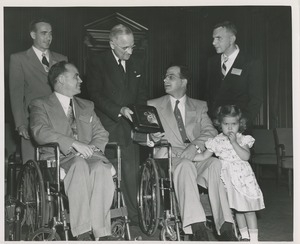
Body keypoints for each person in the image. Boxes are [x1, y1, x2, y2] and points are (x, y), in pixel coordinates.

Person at [135, 65, 238, 241]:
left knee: (215, 164)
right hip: (168, 158)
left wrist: (195, 146)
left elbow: (210, 131)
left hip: (195, 156)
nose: (165, 80)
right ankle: (197, 227)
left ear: (183, 81)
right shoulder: (153, 105)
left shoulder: (199, 106)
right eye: (165, 77)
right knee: (184, 166)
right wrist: (151, 136)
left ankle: (226, 226)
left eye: (171, 77)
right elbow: (137, 135)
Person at [29, 61, 115, 241]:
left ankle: (102, 232)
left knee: (101, 168)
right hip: (60, 158)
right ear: (61, 79)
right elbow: (39, 131)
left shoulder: (87, 106)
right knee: (78, 164)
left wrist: (90, 148)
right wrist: (73, 143)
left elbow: (101, 133)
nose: (81, 80)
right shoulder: (41, 104)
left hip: (88, 156)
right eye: (76, 76)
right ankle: (82, 231)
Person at [86, 24, 148, 225]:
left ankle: (133, 217)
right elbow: (95, 94)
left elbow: (141, 94)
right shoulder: (98, 62)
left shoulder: (137, 61)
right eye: (124, 48)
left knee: (131, 173)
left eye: (132, 46)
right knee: (110, 173)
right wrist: (118, 110)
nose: (129, 51)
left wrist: (142, 118)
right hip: (107, 125)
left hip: (131, 126)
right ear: (112, 44)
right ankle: (108, 218)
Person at [194, 105, 265, 241]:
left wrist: (234, 143)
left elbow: (245, 156)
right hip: (227, 180)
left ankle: (254, 239)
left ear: (240, 124)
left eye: (234, 124)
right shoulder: (216, 141)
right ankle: (244, 237)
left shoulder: (242, 139)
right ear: (220, 124)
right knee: (237, 209)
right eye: (226, 124)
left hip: (243, 178)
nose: (230, 128)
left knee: (249, 209)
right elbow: (204, 156)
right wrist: (189, 156)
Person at [9, 18, 68, 163]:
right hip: (32, 122)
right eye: (44, 33)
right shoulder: (19, 59)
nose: (48, 37)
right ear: (33, 35)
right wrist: (20, 124)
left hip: (58, 123)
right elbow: (16, 94)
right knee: (32, 168)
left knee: (59, 167)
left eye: (50, 33)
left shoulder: (61, 59)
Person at [206, 20, 263, 133]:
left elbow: (256, 99)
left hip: (240, 129)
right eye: (213, 38)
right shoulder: (211, 62)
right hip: (216, 128)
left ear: (231, 39)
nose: (213, 42)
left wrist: (242, 125)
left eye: (218, 38)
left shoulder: (251, 63)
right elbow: (208, 96)